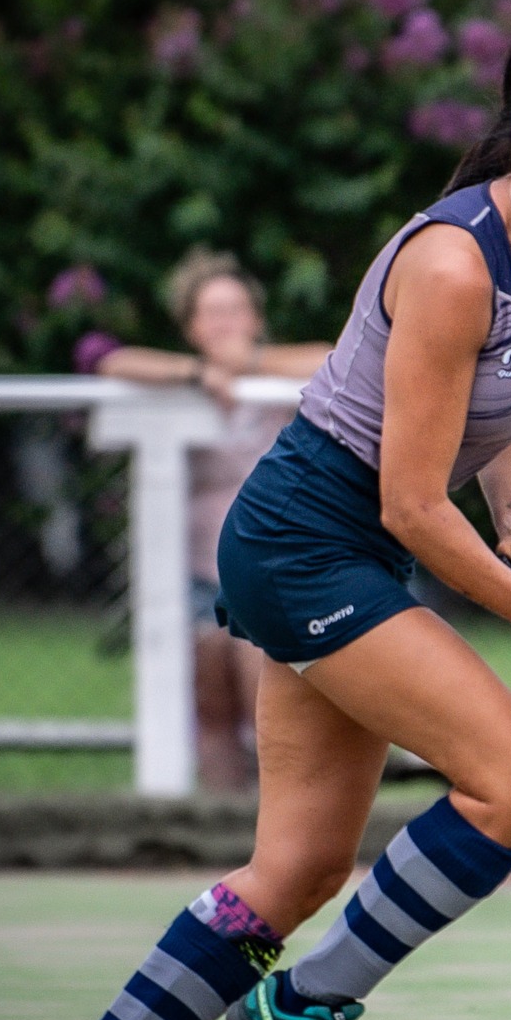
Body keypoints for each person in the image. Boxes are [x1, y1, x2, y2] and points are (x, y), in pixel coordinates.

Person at [5, 23, 511, 1020]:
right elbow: (409, 504)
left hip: (347, 549)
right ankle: (308, 1007)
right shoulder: (452, 264)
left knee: (300, 867)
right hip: (309, 541)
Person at [92, 252, 334, 791]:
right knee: (211, 704)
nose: (225, 322)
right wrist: (201, 373)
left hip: (271, 570)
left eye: (236, 309)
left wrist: (247, 366)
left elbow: (332, 359)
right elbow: (113, 363)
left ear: (256, 318)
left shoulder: (279, 385)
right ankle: (219, 820)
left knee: (264, 696)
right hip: (199, 571)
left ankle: (280, 822)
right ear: (191, 326)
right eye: (212, 312)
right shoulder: (178, 385)